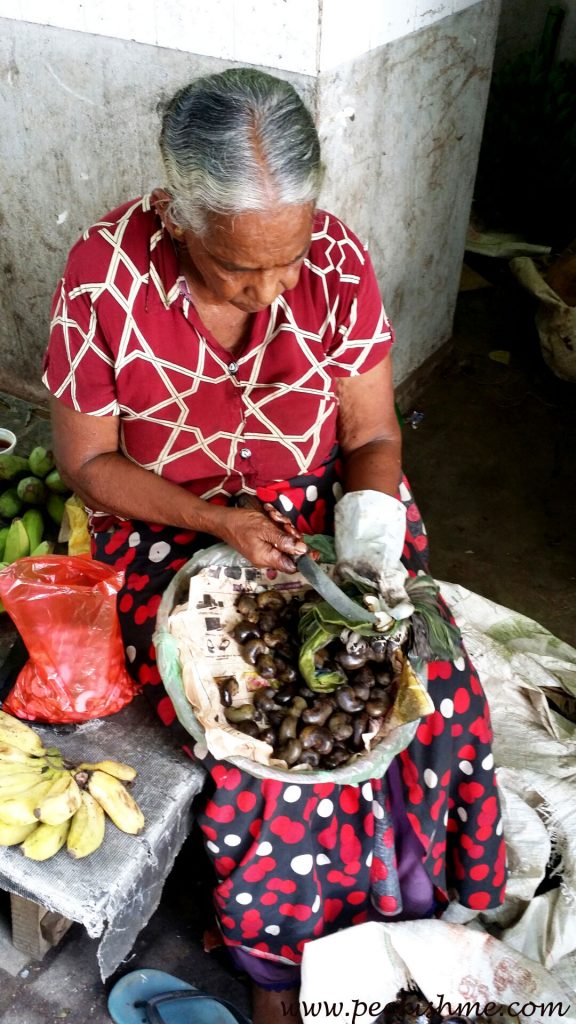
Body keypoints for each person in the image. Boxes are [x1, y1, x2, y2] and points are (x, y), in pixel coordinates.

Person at [43, 68, 506, 1023]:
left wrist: (366, 551)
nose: (274, 290)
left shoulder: (336, 264)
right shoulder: (106, 275)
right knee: (267, 750)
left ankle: (402, 922)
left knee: (434, 698)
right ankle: (281, 978)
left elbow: (374, 438)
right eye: (239, 272)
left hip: (325, 516)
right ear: (176, 216)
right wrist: (216, 522)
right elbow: (90, 464)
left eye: (288, 260)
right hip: (171, 525)